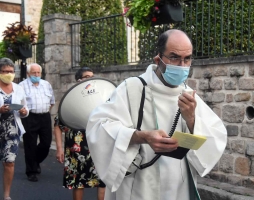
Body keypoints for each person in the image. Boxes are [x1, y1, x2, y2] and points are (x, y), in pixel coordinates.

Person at [86, 29, 227, 200]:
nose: (182, 65)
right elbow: (99, 126)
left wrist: (191, 119)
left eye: (187, 58)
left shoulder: (189, 95)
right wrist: (142, 136)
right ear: (158, 59)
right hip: (139, 185)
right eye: (174, 57)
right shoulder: (132, 88)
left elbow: (216, 135)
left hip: (178, 189)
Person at [54, 67, 106, 200]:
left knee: (103, 181)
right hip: (76, 149)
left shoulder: (101, 98)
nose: (91, 79)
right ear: (79, 80)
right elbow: (58, 124)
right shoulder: (70, 99)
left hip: (97, 146)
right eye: (87, 77)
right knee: (78, 182)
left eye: (92, 76)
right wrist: (59, 148)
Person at [19, 63, 55, 182]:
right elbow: (19, 103)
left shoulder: (46, 84)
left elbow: (52, 101)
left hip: (44, 117)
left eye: (38, 72)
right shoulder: (22, 86)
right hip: (29, 117)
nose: (36, 75)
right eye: (34, 73)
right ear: (28, 74)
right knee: (30, 145)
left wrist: (45, 111)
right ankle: (31, 171)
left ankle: (35, 161)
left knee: (46, 144)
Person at [0, 58, 29, 200]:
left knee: (9, 162)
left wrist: (24, 112)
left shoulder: (19, 88)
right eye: (5, 71)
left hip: (12, 130)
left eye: (11, 71)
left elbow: (25, 107)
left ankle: (6, 195)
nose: (8, 74)